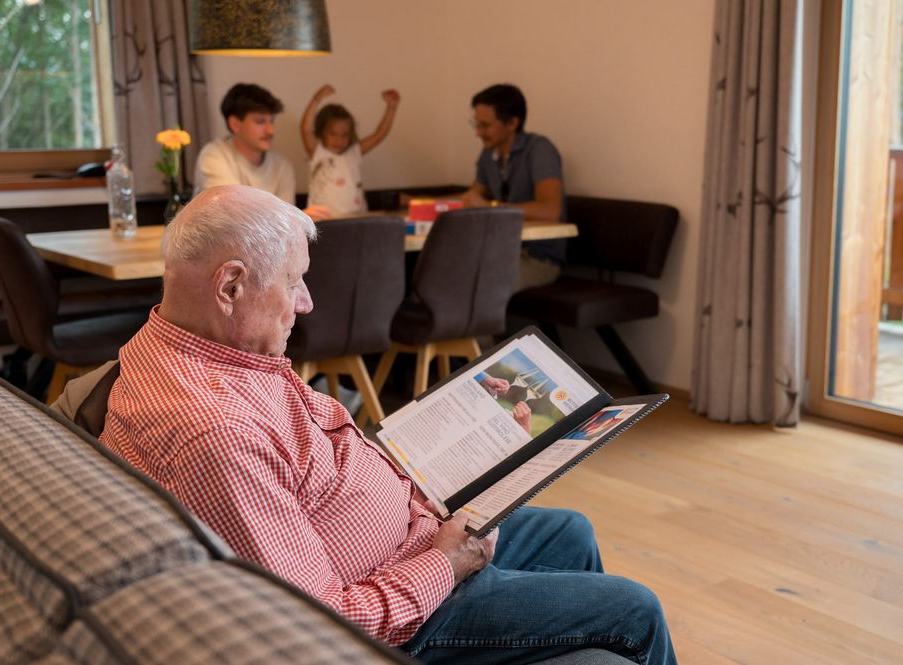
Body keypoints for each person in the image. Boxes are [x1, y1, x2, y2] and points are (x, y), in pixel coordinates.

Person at [98, 185, 677, 665]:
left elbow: (310, 451)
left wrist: (413, 482)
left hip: (409, 534)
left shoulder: (201, 347)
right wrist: (445, 563)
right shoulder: (214, 430)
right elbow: (317, 624)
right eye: (294, 281)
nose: (306, 303)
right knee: (635, 609)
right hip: (403, 619)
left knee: (571, 530)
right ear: (230, 287)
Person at [463, 83, 568, 291]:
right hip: (498, 251)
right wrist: (410, 201)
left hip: (538, 257)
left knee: (482, 284)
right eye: (476, 124)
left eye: (485, 125)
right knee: (438, 273)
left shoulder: (539, 150)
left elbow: (551, 211)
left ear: (512, 123)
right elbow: (471, 196)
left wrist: (490, 207)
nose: (478, 132)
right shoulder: (488, 154)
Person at [194, 83, 331, 221]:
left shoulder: (282, 166)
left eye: (271, 121)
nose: (270, 130)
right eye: (260, 122)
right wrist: (295, 219)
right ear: (235, 124)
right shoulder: (214, 156)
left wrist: (291, 219)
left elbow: (284, 220)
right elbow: (231, 217)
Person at [301, 84, 401, 217]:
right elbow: (306, 129)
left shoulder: (354, 153)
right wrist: (317, 98)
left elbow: (380, 134)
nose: (339, 140)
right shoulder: (318, 153)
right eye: (333, 134)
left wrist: (391, 108)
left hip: (356, 218)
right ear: (322, 132)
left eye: (345, 135)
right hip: (324, 220)